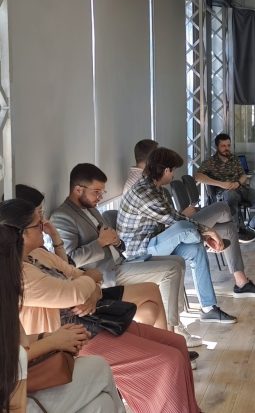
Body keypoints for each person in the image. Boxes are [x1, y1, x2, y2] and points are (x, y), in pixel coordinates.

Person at [2, 198, 202, 413]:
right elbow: (76, 289)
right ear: (22, 234)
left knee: (177, 343)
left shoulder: (37, 254)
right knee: (170, 361)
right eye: (38, 224)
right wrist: (87, 284)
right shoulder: (20, 274)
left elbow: (81, 275)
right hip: (73, 333)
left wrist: (90, 290)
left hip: (91, 316)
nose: (44, 226)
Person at [51, 163, 199, 346]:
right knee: (171, 269)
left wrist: (116, 241)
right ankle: (174, 332)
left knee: (156, 301)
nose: (100, 197)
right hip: (105, 274)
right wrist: (100, 242)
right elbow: (69, 260)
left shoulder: (91, 208)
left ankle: (160, 341)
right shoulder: (62, 217)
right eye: (96, 192)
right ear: (78, 190)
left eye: (102, 192)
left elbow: (114, 241)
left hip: (121, 261)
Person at [118, 147, 255, 323]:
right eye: (173, 170)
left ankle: (208, 308)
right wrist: (207, 231)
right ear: (166, 170)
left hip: (157, 240)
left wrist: (204, 232)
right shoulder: (145, 192)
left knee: (198, 247)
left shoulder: (153, 187)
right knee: (191, 225)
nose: (174, 175)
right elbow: (174, 220)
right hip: (142, 251)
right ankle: (213, 238)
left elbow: (172, 218)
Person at [0, 224, 125, 413]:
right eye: (38, 224)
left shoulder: (32, 263)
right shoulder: (23, 279)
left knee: (102, 404)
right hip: (13, 398)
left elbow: (12, 343)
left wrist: (49, 336)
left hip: (18, 386)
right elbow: (8, 360)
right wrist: (52, 342)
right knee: (99, 368)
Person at [195, 133, 255, 239]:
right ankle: (236, 231)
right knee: (230, 195)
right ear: (217, 146)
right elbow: (198, 176)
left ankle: (252, 226)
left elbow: (243, 175)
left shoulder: (235, 159)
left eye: (228, 145)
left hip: (241, 189)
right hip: (225, 192)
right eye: (223, 146)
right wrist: (220, 184)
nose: (226, 148)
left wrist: (238, 183)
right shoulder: (210, 162)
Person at [15, 184, 69, 263]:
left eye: (41, 212)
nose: (42, 220)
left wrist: (55, 236)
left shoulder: (40, 251)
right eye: (39, 212)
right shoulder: (16, 265)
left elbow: (65, 268)